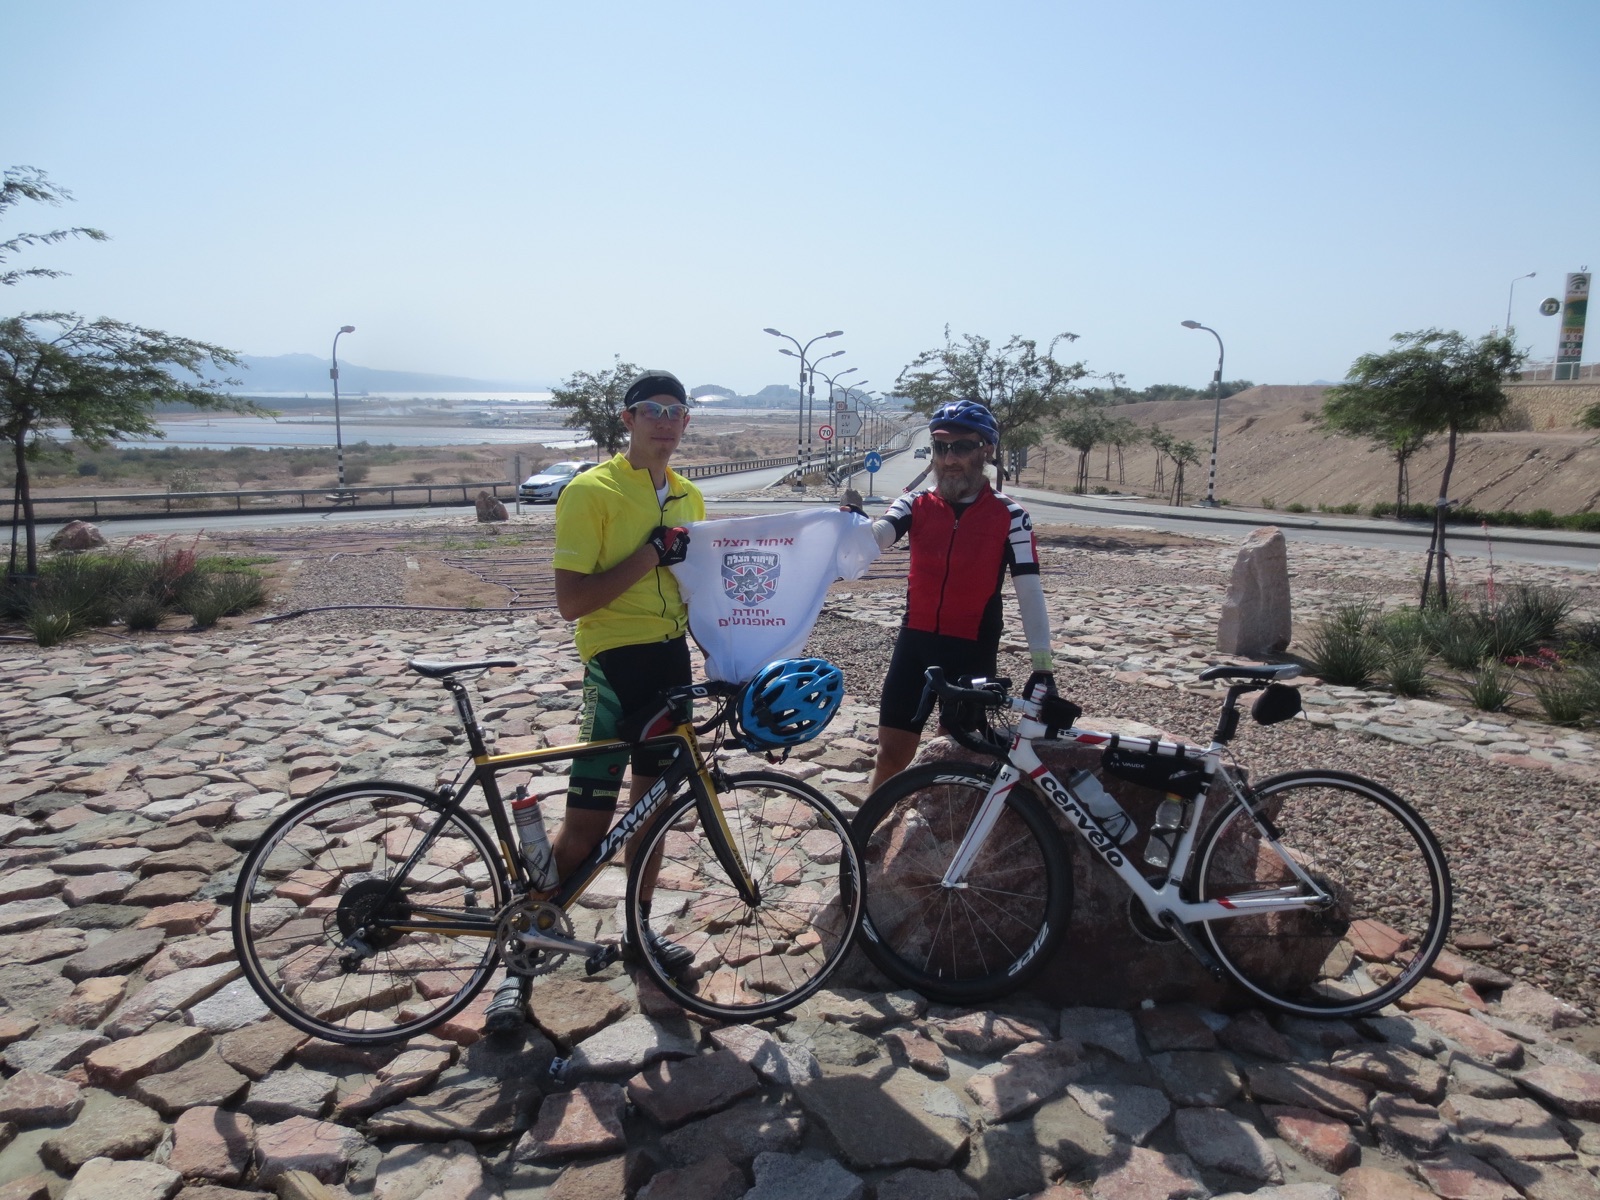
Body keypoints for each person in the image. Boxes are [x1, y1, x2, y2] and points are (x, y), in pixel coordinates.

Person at [485, 368, 705, 1031]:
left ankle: (640, 935)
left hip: (670, 663)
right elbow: (570, 602)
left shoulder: (691, 495)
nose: (665, 420)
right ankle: (518, 967)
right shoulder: (590, 491)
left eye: (676, 410)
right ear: (628, 419)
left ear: (685, 423)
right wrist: (648, 556)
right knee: (585, 828)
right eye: (652, 409)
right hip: (614, 667)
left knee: (652, 814)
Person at [857, 399, 1056, 795]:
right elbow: (877, 538)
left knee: (957, 759)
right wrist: (848, 522)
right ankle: (867, 835)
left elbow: (1030, 591)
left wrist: (1042, 666)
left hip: (972, 651)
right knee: (891, 755)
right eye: (940, 447)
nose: (948, 459)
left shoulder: (1011, 516)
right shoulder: (914, 503)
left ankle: (945, 844)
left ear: (987, 450)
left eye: (961, 447)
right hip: (915, 644)